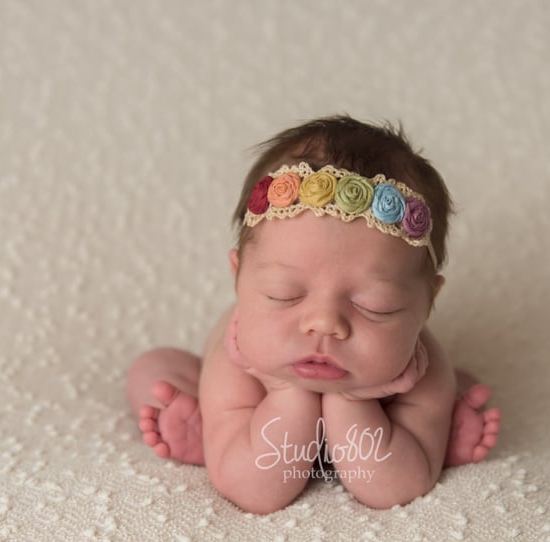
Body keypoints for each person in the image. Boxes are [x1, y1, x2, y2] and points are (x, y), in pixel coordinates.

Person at [126, 116, 501, 514]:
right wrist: (287, 393)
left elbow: (392, 491)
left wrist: (352, 400)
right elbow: (256, 490)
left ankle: (433, 434)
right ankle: (212, 434)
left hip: (385, 418)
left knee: (463, 385)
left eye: (375, 305)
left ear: (426, 304)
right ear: (239, 278)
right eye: (283, 295)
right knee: (155, 371)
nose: (324, 323)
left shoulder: (421, 370)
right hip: (255, 414)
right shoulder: (236, 355)